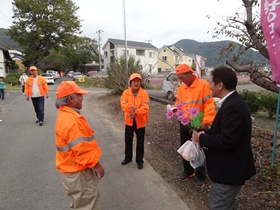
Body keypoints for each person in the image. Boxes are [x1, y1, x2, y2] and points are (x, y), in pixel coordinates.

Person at [192, 66, 256, 209]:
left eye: (210, 82)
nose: (208, 86)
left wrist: (202, 139)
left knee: (219, 206)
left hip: (228, 171)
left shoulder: (232, 107)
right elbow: (225, 132)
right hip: (228, 168)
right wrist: (205, 134)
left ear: (220, 85)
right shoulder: (231, 102)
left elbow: (228, 140)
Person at [55, 81, 105, 210]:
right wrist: (97, 166)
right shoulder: (72, 120)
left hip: (71, 173)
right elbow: (82, 150)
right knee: (88, 206)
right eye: (79, 95)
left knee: (79, 205)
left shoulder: (64, 116)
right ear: (71, 99)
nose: (82, 98)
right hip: (80, 174)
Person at [174, 64, 215, 187]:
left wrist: (206, 121)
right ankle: (188, 170)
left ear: (189, 74)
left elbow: (209, 104)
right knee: (185, 147)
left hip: (199, 124)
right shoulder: (181, 89)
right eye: (179, 79)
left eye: (182, 78)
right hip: (185, 122)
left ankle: (200, 174)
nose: (181, 81)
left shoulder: (203, 85)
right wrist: (175, 109)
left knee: (199, 150)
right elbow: (179, 104)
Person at [120, 73, 150, 169]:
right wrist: (130, 107)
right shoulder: (125, 93)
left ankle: (139, 160)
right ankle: (128, 158)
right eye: (134, 81)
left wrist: (136, 112)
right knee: (128, 140)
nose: (136, 83)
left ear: (140, 82)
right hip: (129, 120)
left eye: (138, 81)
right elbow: (123, 104)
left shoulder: (144, 93)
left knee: (140, 142)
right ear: (131, 83)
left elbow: (146, 107)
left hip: (140, 121)